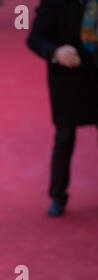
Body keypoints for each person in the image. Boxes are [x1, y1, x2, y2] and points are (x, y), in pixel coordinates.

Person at [27, 0, 98, 217]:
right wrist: (57, 52)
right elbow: (34, 38)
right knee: (64, 138)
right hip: (69, 81)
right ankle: (58, 195)